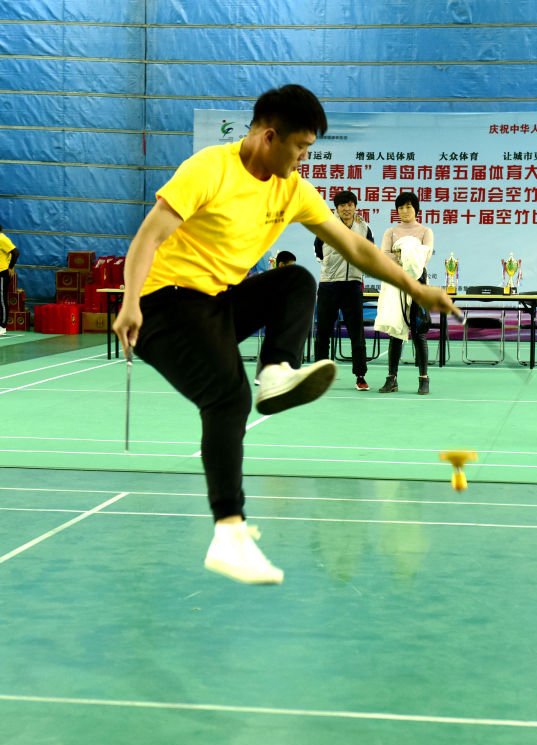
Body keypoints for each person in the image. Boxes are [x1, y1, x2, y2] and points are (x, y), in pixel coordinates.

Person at [113, 84, 460, 585]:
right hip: (161, 305)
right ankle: (229, 534)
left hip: (216, 302)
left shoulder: (292, 189)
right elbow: (149, 234)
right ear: (270, 136)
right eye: (300, 147)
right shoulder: (210, 169)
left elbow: (356, 249)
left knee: (296, 281)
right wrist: (128, 302)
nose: (303, 159)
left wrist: (413, 286)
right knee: (228, 398)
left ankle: (276, 372)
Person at [314, 190, 374, 391]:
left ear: (355, 206)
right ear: (336, 208)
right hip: (329, 285)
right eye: (342, 205)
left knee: (357, 333)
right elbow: (318, 251)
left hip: (353, 286)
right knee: (323, 332)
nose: (347, 209)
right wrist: (333, 267)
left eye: (350, 204)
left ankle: (360, 376)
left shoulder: (364, 227)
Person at [378, 191, 434, 395]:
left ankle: (424, 379)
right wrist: (403, 259)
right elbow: (385, 255)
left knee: (419, 333)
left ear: (416, 209)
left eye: (408, 207)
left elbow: (423, 258)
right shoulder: (390, 232)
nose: (404, 211)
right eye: (401, 207)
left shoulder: (425, 231)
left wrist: (402, 257)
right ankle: (391, 379)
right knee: (395, 332)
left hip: (418, 284)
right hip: (395, 284)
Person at [0, 220, 19, 336]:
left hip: (2, 273)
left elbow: (16, 252)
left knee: (2, 300)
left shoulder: (2, 239)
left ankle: (2, 326)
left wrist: (10, 268)